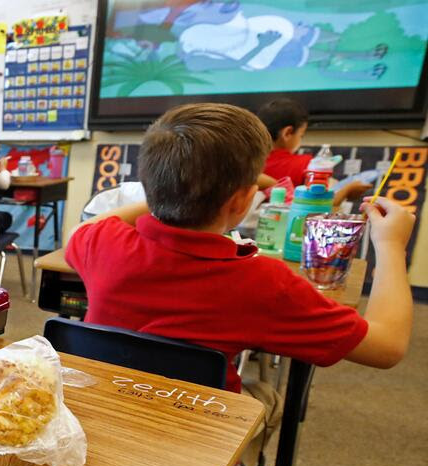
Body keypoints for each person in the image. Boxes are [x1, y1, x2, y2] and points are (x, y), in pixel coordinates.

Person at [66, 102, 412, 396]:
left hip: (103, 416)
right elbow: (387, 347)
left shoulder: (101, 242)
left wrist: (159, 195)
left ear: (149, 183)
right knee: (268, 401)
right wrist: (391, 245)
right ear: (244, 199)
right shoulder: (265, 283)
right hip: (202, 450)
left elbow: (87, 228)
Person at [256, 98, 370, 205]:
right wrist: (348, 190)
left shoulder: (248, 162)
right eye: (301, 135)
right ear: (288, 133)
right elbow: (323, 203)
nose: (301, 139)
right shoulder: (307, 165)